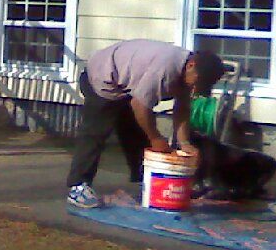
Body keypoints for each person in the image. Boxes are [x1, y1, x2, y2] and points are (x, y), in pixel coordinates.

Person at [66, 40, 227, 209]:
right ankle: (78, 186)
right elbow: (140, 105)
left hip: (125, 83)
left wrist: (184, 143)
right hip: (102, 75)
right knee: (96, 132)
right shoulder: (165, 70)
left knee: (136, 132)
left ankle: (146, 182)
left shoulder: (189, 71)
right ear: (191, 65)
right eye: (196, 83)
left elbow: (182, 108)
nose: (195, 88)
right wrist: (156, 138)